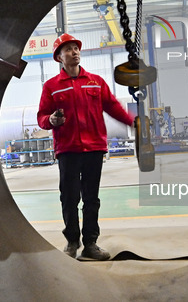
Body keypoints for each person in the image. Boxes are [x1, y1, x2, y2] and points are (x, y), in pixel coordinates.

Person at [37, 33, 134, 260]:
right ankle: (72, 241)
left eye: (76, 48)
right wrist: (51, 120)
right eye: (68, 49)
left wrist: (134, 122)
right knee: (69, 198)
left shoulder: (96, 82)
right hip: (68, 149)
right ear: (59, 57)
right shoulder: (51, 87)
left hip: (93, 149)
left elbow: (112, 107)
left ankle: (90, 244)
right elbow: (42, 116)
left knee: (91, 198)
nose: (74, 52)